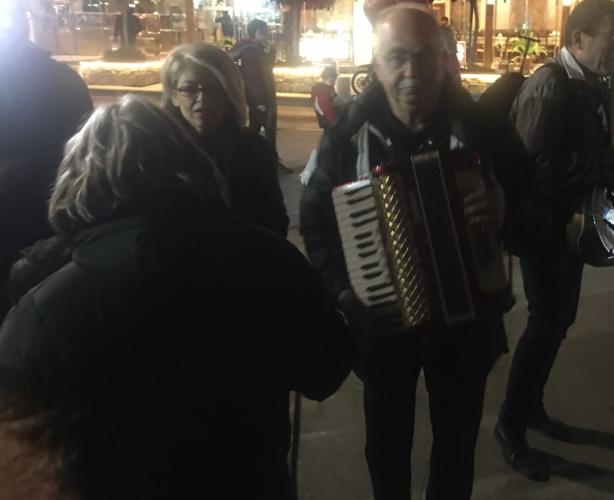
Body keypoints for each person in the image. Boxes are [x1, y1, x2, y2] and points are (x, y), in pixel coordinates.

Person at [0, 95, 355, 500]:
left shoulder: (43, 312)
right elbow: (325, 371)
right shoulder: (271, 260)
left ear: (78, 181)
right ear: (192, 165)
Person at [300, 5, 527, 499]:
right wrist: (342, 293)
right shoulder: (345, 137)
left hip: (466, 324)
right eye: (397, 57)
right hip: (382, 326)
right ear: (376, 65)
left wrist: (505, 208)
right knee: (386, 443)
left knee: (457, 444)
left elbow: (534, 201)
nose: (411, 71)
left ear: (443, 60)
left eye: (424, 56)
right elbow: (315, 222)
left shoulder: (484, 128)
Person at [496, 0, 614, 482]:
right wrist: (607, 162)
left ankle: (530, 407)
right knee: (545, 323)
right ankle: (510, 426)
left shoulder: (590, 82)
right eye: (611, 40)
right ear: (578, 39)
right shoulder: (549, 85)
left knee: (559, 320)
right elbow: (535, 168)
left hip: (570, 227)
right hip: (542, 228)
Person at [0, 1, 92, 320]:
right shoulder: (62, 81)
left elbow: (81, 154)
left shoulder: (59, 82)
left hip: (40, 218)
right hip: (46, 214)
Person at [162, 43, 289, 236]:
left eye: (214, 88)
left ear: (230, 92)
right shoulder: (154, 152)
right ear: (173, 95)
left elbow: (274, 224)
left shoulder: (255, 151)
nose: (203, 99)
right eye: (190, 89)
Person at [230, 19, 278, 146]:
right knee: (260, 131)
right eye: (266, 31)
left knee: (265, 131)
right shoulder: (248, 48)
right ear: (258, 32)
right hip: (259, 97)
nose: (268, 33)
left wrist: (271, 52)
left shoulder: (262, 48)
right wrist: (260, 101)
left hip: (266, 95)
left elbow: (268, 69)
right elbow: (255, 77)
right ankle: (257, 155)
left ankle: (262, 155)